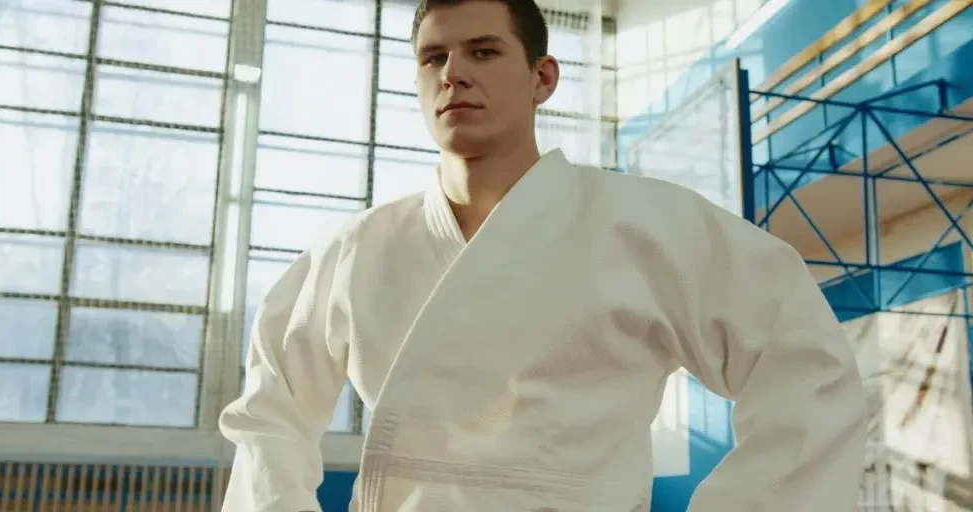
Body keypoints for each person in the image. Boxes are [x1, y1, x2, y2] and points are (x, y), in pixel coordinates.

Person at [218, 0, 868, 510]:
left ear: (543, 77)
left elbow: (809, 371)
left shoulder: (647, 226)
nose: (453, 73)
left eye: (483, 50)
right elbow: (268, 414)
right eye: (432, 57)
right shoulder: (353, 251)